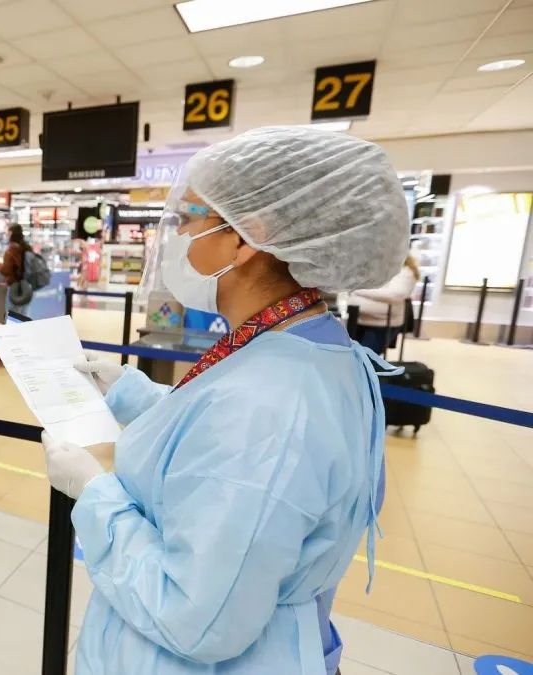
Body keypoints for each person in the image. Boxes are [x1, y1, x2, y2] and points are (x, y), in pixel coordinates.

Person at [44, 126, 408, 675]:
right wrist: (133, 394)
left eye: (189, 218)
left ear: (245, 238)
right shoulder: (302, 345)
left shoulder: (271, 407)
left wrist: (95, 495)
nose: (177, 235)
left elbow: (197, 617)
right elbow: (215, 447)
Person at [350, 255, 418, 355]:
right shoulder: (371, 267)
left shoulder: (404, 271)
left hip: (381, 324)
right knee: (353, 357)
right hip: (357, 320)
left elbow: (395, 294)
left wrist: (357, 290)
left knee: (365, 359)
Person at [0, 224, 31, 315]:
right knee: (23, 316)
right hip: (27, 287)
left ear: (11, 234)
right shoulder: (28, 248)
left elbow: (6, 270)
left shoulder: (11, 251)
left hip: (14, 287)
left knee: (12, 317)